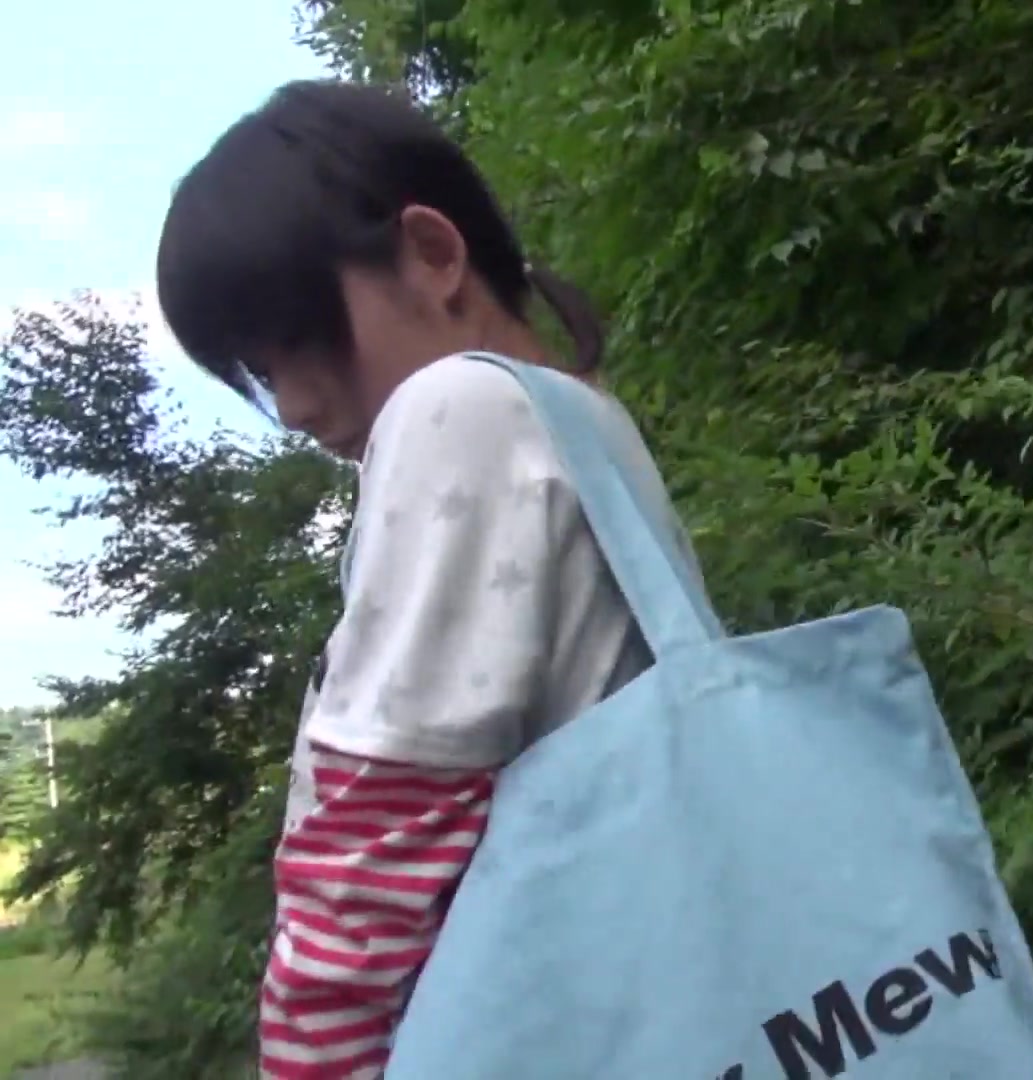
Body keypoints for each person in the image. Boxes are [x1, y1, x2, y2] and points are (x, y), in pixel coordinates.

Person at [155, 78, 707, 1079]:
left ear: (433, 252)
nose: (295, 405)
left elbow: (372, 854)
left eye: (301, 339)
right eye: (263, 374)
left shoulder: (459, 411)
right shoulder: (588, 423)